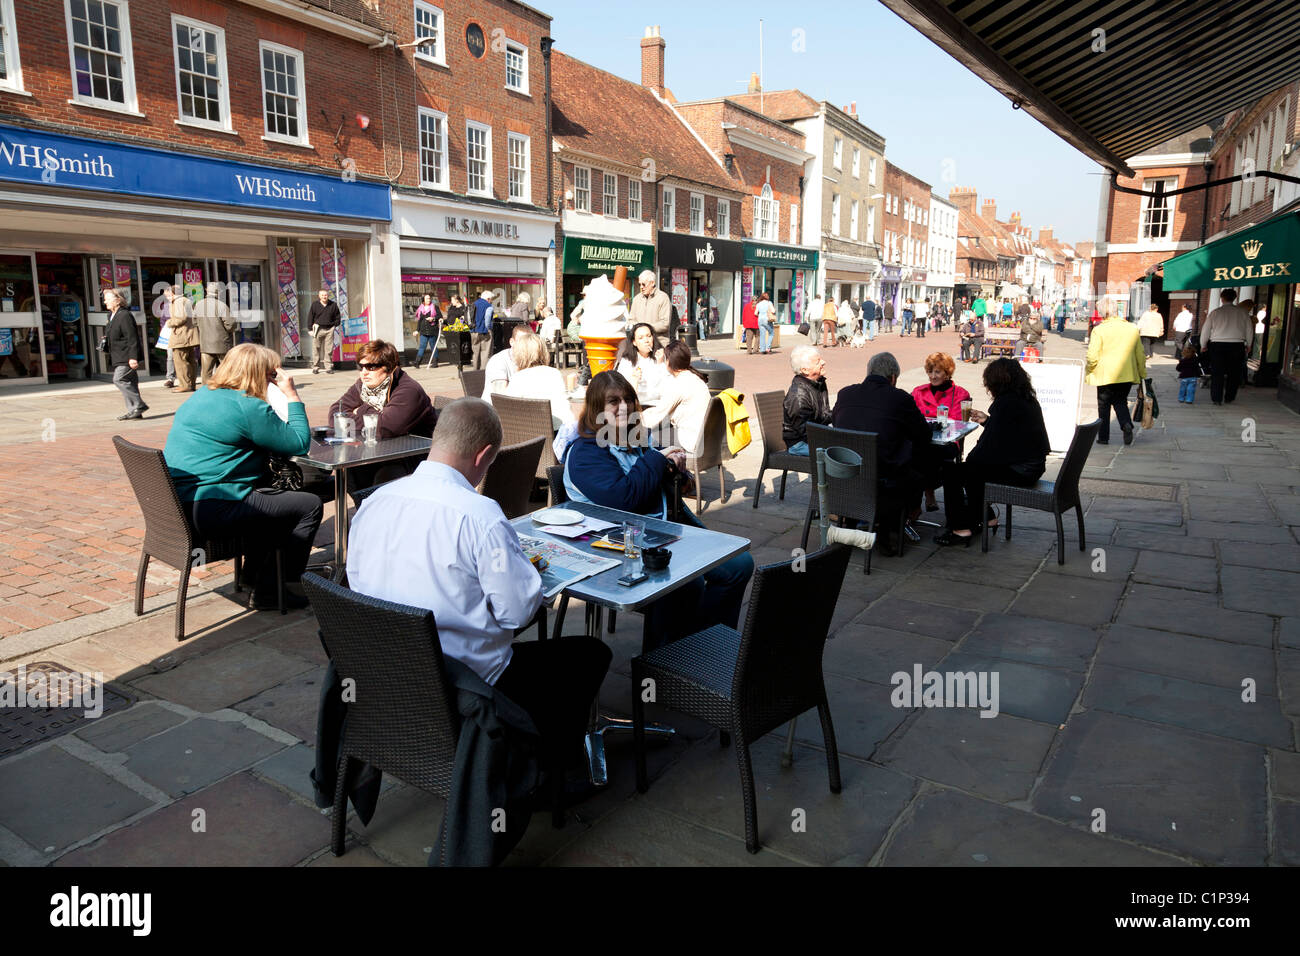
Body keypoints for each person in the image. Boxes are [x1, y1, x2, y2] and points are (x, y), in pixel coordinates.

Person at [345, 397, 611, 771]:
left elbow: (357, 587)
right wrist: (527, 579)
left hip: (388, 674)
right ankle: (545, 773)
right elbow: (517, 613)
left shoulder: (373, 504)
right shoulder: (480, 515)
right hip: (465, 683)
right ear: (484, 455)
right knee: (590, 654)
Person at [563, 371, 754, 648]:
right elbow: (624, 498)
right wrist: (656, 459)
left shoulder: (635, 438)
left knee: (739, 565)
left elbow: (659, 476)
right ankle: (669, 662)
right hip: (613, 544)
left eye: (628, 399)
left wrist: (676, 469)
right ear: (596, 409)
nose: (624, 407)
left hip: (661, 529)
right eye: (613, 401)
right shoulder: (586, 452)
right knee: (687, 583)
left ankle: (705, 645)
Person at [164, 343, 322, 609]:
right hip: (215, 506)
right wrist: (292, 395)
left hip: (180, 506)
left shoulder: (202, 395)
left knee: (274, 502)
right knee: (308, 506)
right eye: (271, 373)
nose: (273, 379)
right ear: (259, 374)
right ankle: (271, 590)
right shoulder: (248, 407)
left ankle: (253, 576)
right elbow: (299, 443)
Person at [935, 358, 1050, 547]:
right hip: (1031, 466)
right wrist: (988, 421)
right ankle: (987, 518)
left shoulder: (1005, 403)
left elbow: (987, 449)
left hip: (1020, 471)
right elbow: (1009, 436)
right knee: (973, 471)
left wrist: (970, 462)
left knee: (954, 473)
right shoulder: (1025, 399)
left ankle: (960, 529)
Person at [831, 351, 930, 552]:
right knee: (918, 468)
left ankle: (857, 523)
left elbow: (836, 423)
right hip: (884, 480)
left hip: (843, 476)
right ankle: (890, 526)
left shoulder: (845, 393)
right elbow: (923, 434)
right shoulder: (899, 398)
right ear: (893, 378)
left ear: (868, 372)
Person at [911, 352, 973, 512]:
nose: (932, 376)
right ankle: (916, 502)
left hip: (948, 443)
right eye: (930, 372)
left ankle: (924, 495)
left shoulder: (960, 393)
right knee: (910, 452)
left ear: (947, 373)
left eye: (937, 372)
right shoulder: (918, 392)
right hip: (924, 441)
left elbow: (959, 424)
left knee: (925, 454)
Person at [1086, 312, 1146, 445]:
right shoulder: (1132, 329)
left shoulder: (1099, 330)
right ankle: (1126, 424)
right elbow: (1140, 354)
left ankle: (1103, 437)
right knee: (1120, 401)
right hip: (1126, 373)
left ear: (1103, 314)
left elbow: (1092, 356)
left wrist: (1090, 369)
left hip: (1104, 373)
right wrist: (1142, 374)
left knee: (1103, 405)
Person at [641, 341, 711, 455]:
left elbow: (657, 415)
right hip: (706, 439)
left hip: (691, 441)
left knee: (648, 437)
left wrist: (634, 417)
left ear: (668, 362)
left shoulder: (680, 384)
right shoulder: (695, 379)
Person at [496, 332, 574, 430]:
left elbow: (505, 406)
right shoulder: (555, 373)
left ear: (519, 354)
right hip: (562, 430)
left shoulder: (519, 378)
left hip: (534, 434)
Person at [1199, 289, 1254, 405]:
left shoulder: (1215, 312)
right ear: (1234, 298)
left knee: (1217, 372)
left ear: (1221, 298)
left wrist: (1203, 344)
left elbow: (1206, 330)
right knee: (1234, 373)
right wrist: (1249, 344)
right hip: (1237, 345)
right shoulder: (1243, 313)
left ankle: (1216, 398)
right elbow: (1249, 330)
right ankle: (1229, 396)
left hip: (1217, 345)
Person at [104, 288, 147, 421]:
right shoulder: (111, 315)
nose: (105, 302)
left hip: (126, 355)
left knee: (119, 379)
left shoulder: (124, 315)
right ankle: (134, 411)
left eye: (108, 299)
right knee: (131, 383)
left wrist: (133, 357)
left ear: (117, 301)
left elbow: (132, 337)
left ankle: (139, 405)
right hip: (118, 354)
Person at [782, 345, 830, 456]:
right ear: (805, 370)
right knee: (838, 453)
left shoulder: (818, 383)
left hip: (814, 435)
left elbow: (825, 414)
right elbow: (805, 431)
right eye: (818, 361)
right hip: (799, 443)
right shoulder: (798, 395)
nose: (823, 362)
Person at [193, 282, 239, 383]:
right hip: (222, 342)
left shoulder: (198, 305)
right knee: (227, 368)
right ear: (218, 292)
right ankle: (228, 387)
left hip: (205, 343)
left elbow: (194, 322)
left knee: (206, 372)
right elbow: (230, 324)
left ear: (206, 291)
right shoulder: (221, 306)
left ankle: (206, 391)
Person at [615, 322, 667, 402]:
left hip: (658, 403)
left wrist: (660, 363)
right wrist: (634, 379)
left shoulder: (660, 357)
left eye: (649, 336)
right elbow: (620, 387)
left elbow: (666, 385)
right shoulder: (627, 361)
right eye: (641, 338)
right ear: (634, 342)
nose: (646, 341)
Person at [163, 285, 199, 393]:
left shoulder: (178, 301)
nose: (168, 299)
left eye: (168, 296)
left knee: (180, 361)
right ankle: (191, 383)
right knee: (190, 360)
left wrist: (169, 323)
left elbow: (180, 318)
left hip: (181, 335)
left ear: (173, 294)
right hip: (188, 335)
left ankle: (184, 385)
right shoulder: (187, 300)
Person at [629, 270, 672, 349]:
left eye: (644, 284)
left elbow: (665, 324)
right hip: (640, 345)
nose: (641, 287)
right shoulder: (636, 299)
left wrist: (645, 328)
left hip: (658, 344)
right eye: (639, 284)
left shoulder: (663, 298)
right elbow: (631, 320)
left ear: (652, 283)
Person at [483, 324, 530, 395]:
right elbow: (501, 396)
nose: (525, 345)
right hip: (495, 405)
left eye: (529, 342)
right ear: (512, 342)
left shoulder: (531, 359)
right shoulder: (498, 361)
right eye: (521, 341)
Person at [306, 288, 342, 374]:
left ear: (328, 295)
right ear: (319, 296)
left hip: (329, 329)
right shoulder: (315, 305)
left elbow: (338, 316)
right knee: (316, 348)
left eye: (325, 295)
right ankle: (316, 367)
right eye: (322, 295)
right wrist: (310, 329)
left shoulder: (333, 305)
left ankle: (328, 367)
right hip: (318, 329)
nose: (324, 297)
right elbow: (310, 317)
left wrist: (334, 324)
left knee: (328, 349)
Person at [414, 294, 442, 369]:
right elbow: (420, 321)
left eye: (429, 298)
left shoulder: (435, 307)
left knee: (433, 346)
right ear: (423, 300)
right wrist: (417, 330)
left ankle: (435, 362)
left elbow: (439, 316)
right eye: (427, 299)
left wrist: (433, 318)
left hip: (432, 330)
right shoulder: (420, 308)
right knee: (422, 347)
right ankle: (417, 362)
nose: (429, 300)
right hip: (423, 331)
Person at [470, 290, 495, 370]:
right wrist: (489, 328)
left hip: (473, 331)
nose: (491, 301)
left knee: (475, 352)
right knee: (485, 352)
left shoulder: (474, 304)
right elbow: (487, 318)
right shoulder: (488, 306)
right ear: (488, 299)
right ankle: (483, 371)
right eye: (491, 299)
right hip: (484, 332)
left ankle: (475, 370)